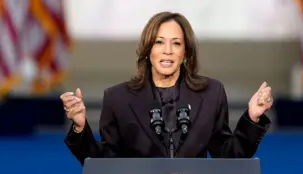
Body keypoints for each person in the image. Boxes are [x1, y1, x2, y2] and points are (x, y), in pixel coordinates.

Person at [61, 11, 273, 165]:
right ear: (147, 50)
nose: (168, 51)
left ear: (186, 52)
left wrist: (252, 118)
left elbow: (228, 157)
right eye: (159, 42)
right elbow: (105, 164)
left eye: (176, 43)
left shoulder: (211, 94)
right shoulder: (118, 98)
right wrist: (80, 127)